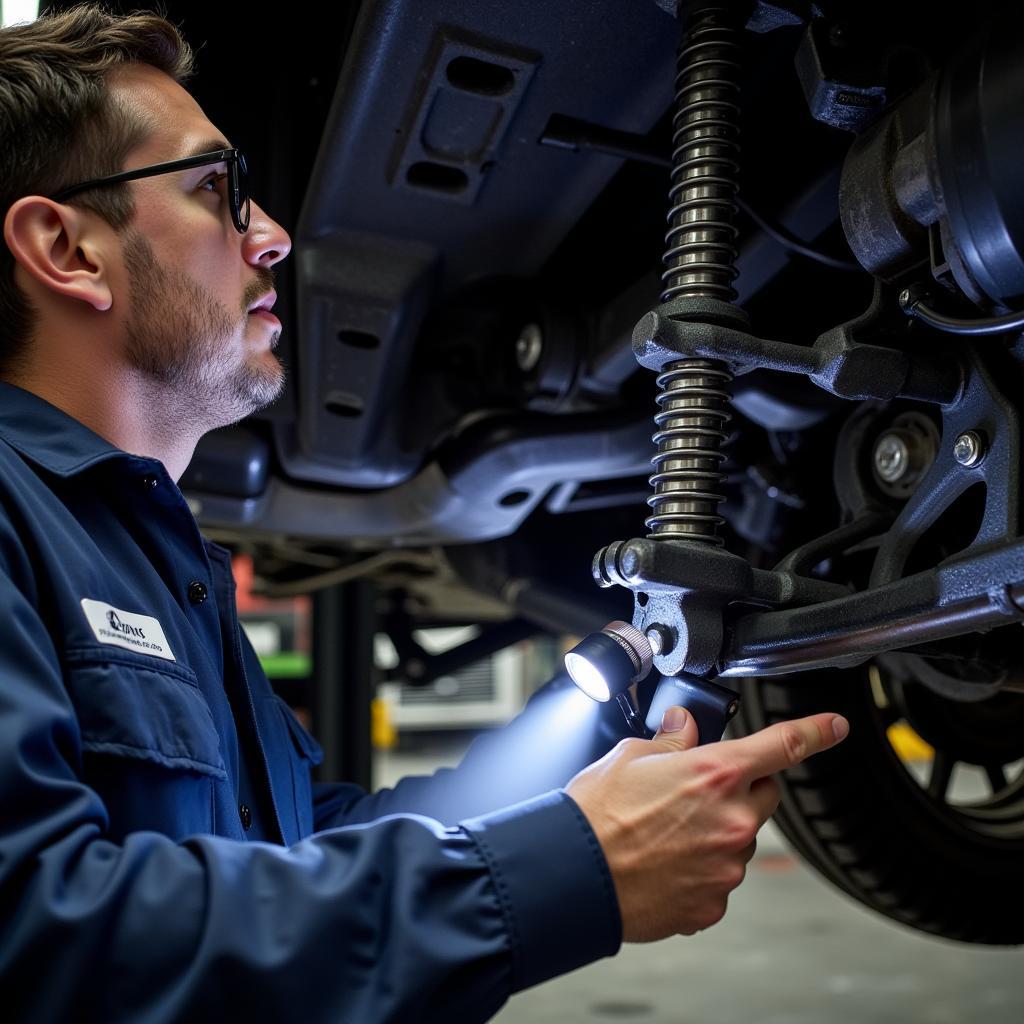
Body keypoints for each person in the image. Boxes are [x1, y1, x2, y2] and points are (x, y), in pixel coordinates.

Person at [0, 6, 849, 1022]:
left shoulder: (155, 557)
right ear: (66, 246)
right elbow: (41, 941)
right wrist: (569, 872)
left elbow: (299, 851)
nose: (271, 236)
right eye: (214, 189)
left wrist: (586, 753)